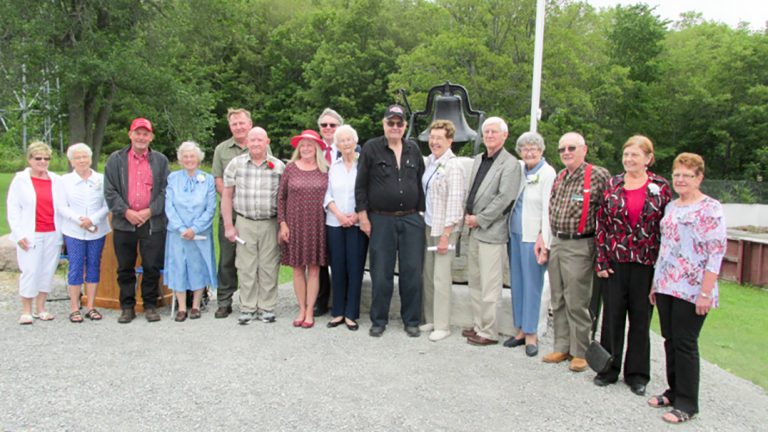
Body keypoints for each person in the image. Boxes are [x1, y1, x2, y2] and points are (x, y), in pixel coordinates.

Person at [648, 153, 726, 424]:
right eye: (677, 175)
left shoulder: (710, 209)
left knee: (685, 343)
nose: (680, 180)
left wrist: (705, 292)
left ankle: (687, 403)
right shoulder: (671, 207)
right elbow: (666, 248)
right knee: (669, 339)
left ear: (699, 178)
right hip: (668, 283)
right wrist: (656, 283)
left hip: (692, 288)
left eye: (687, 175)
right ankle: (673, 390)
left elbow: (716, 254)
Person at [594, 136, 672, 394]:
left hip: (645, 263)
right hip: (615, 262)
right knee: (612, 317)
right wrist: (602, 259)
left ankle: (637, 375)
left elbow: (666, 230)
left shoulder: (661, 187)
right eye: (626, 155)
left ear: (648, 158)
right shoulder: (613, 184)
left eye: (635, 155)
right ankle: (608, 368)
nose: (629, 160)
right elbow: (602, 224)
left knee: (640, 320)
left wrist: (661, 269)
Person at [355, 104, 425, 338]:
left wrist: (422, 214)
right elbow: (361, 186)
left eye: (399, 123)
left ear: (405, 126)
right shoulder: (371, 148)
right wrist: (363, 216)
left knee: (412, 272)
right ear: (384, 124)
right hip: (381, 220)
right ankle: (379, 320)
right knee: (381, 272)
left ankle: (412, 320)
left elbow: (420, 182)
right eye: (390, 123)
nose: (395, 127)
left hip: (412, 220)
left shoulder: (413, 149)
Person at [544, 132, 610, 371]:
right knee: (558, 297)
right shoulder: (561, 176)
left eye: (571, 148)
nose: (566, 153)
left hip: (581, 243)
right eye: (562, 149)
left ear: (584, 149)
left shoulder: (598, 175)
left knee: (577, 298)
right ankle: (561, 346)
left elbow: (607, 214)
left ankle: (580, 350)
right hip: (558, 242)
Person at [104, 117, 170, 323]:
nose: (141, 137)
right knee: (125, 266)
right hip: (125, 222)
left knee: (151, 266)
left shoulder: (160, 160)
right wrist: (127, 212)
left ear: (151, 137)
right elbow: (110, 190)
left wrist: (150, 211)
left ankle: (150, 305)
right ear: (130, 135)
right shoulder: (116, 159)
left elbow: (166, 191)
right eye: (138, 133)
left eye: (145, 134)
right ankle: (127, 306)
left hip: (152, 221)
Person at [462, 117, 521, 346]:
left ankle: (489, 331)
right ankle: (479, 324)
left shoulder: (510, 164)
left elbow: (505, 198)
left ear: (504, 136)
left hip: (491, 231)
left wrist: (480, 219)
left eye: (494, 132)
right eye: (486, 132)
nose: (489, 135)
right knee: (475, 281)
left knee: (490, 285)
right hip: (474, 231)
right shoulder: (478, 159)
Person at [221, 127, 285, 325]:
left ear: (267, 142)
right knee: (246, 266)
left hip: (270, 222)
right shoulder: (235, 164)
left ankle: (266, 308)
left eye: (260, 140)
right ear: (247, 142)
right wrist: (228, 226)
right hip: (245, 222)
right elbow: (227, 196)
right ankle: (248, 308)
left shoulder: (279, 166)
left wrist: (284, 225)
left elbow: (284, 199)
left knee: (269, 266)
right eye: (252, 140)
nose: (256, 143)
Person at [503, 131, 556, 356]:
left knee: (533, 284)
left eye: (534, 148)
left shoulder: (548, 173)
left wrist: (544, 238)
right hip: (514, 233)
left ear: (541, 150)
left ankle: (532, 333)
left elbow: (548, 208)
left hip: (533, 237)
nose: (529, 152)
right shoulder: (519, 169)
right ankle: (520, 330)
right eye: (525, 148)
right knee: (518, 283)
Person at [7, 141, 64, 324]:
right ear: (30, 159)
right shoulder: (21, 180)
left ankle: (41, 308)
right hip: (31, 233)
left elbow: (62, 207)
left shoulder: (56, 180)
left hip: (52, 232)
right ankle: (26, 310)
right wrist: (18, 234)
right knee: (30, 270)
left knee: (47, 271)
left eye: (46, 158)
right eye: (38, 158)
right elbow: (13, 209)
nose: (42, 162)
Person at [420, 120, 466, 342]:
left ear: (450, 140)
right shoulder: (430, 162)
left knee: (441, 277)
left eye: (439, 138)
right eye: (432, 137)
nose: (434, 141)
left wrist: (447, 234)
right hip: (429, 225)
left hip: (443, 229)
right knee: (428, 275)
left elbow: (456, 203)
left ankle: (443, 324)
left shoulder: (453, 166)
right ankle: (430, 318)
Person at [278, 130, 329, 328]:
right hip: (295, 225)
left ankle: (310, 310)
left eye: (310, 145)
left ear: (317, 147)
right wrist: (283, 223)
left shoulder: (325, 170)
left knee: (314, 269)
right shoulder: (290, 169)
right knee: (298, 269)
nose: (306, 148)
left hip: (317, 225)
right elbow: (281, 198)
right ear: (299, 148)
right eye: (303, 145)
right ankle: (301, 308)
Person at [164, 141, 218, 322]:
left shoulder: (208, 179)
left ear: (198, 158)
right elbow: (169, 206)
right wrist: (181, 228)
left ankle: (195, 305)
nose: (189, 159)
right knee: (178, 266)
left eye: (192, 156)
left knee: (197, 266)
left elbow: (210, 209)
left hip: (200, 233)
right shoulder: (173, 178)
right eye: (185, 156)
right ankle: (181, 307)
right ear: (180, 159)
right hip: (177, 233)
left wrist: (194, 229)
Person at [59, 143, 111, 323]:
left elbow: (107, 204)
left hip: (97, 230)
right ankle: (74, 307)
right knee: (75, 266)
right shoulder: (64, 181)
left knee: (94, 265)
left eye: (84, 157)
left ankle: (91, 306)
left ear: (90, 159)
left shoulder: (101, 179)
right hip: (74, 231)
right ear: (72, 161)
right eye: (77, 158)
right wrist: (79, 220)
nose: (81, 160)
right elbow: (61, 206)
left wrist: (93, 220)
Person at [324, 125, 368, 331]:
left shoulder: (364, 166)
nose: (346, 143)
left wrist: (357, 215)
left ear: (355, 141)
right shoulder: (333, 167)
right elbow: (327, 194)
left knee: (355, 268)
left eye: (349, 139)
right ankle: (338, 312)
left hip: (358, 224)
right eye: (341, 140)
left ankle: (351, 313)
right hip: (335, 223)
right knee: (338, 267)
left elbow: (370, 193)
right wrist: (340, 216)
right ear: (337, 145)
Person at [211, 108, 252, 319]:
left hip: (254, 215)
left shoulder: (260, 144)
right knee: (227, 258)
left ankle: (250, 300)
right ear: (230, 127)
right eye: (234, 124)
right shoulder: (222, 149)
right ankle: (224, 301)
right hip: (230, 214)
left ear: (250, 124)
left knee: (252, 259)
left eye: (242, 123)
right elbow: (217, 179)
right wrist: (232, 198)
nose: (238, 127)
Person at [315, 107, 344, 316]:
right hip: (316, 211)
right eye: (324, 125)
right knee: (320, 257)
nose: (327, 128)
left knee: (342, 257)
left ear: (339, 128)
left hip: (343, 211)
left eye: (332, 125)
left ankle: (342, 300)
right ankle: (321, 300)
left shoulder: (350, 148)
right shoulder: (312, 149)